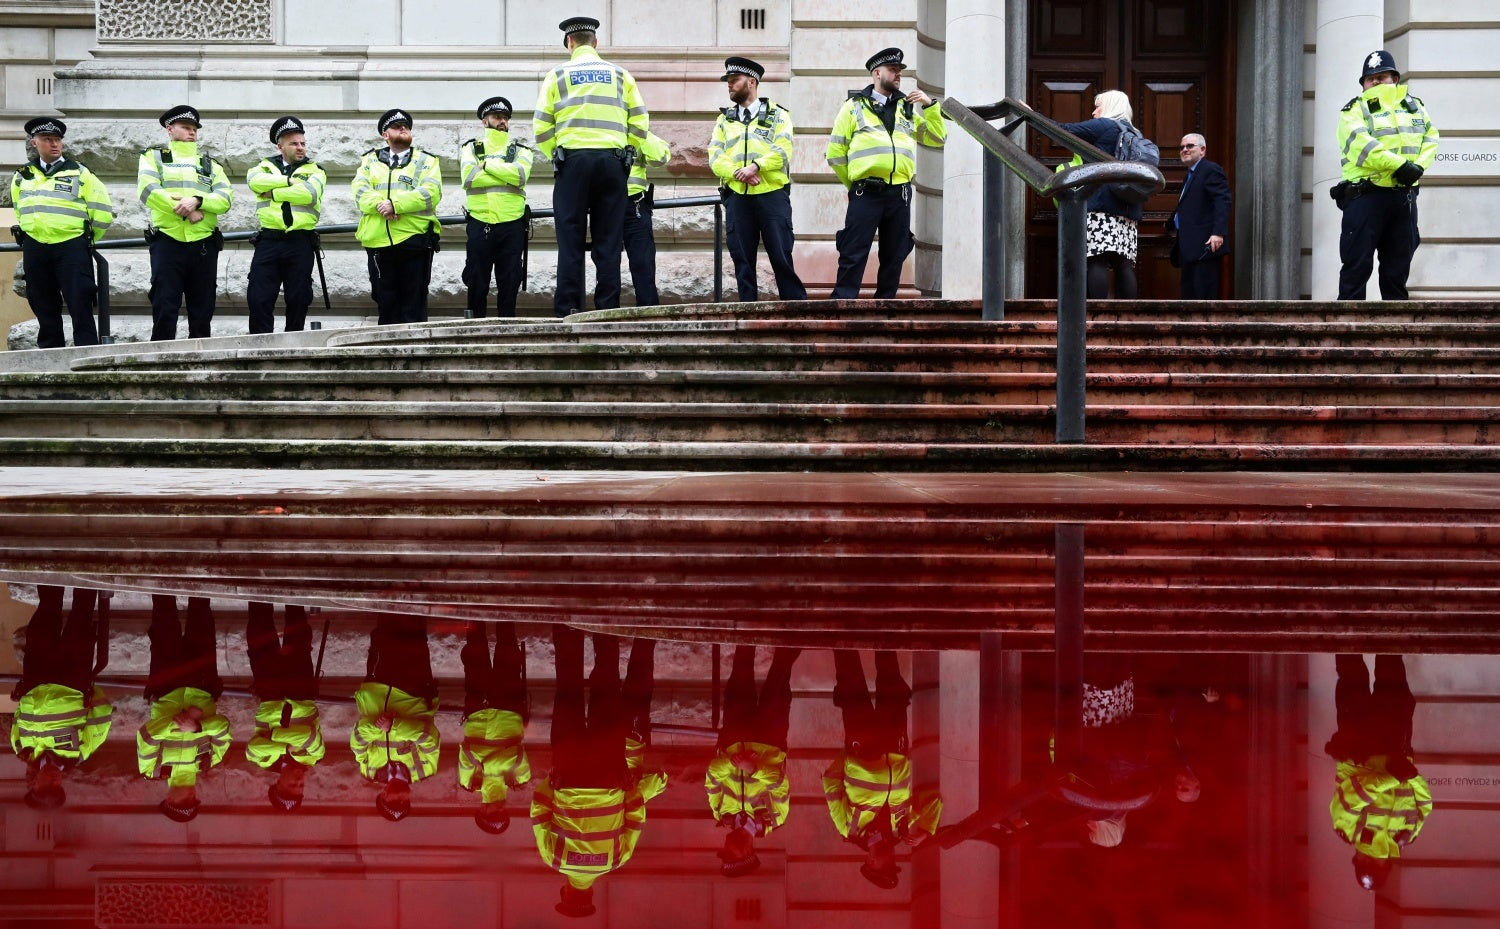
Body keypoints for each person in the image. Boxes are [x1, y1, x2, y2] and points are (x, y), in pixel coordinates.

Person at [533, 627, 665, 917]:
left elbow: (636, 814)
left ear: (591, 891)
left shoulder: (615, 860)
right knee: (567, 688)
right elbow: (539, 812)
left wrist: (626, 787)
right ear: (566, 891)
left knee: (606, 687)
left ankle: (605, 627)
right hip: (569, 771)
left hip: (608, 773)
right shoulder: (553, 859)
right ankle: (567, 625)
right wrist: (551, 781)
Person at [534, 16, 651, 317]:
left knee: (570, 241)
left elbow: (541, 128)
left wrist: (554, 154)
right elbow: (639, 121)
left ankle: (568, 310)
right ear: (595, 43)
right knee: (608, 242)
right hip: (612, 164)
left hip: (572, 164)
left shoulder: (557, 75)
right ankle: (607, 310)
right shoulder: (621, 75)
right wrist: (629, 152)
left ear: (570, 43)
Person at [826, 48, 946, 299]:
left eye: (900, 70)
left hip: (900, 193)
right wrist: (853, 185)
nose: (898, 74)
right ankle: (842, 306)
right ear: (877, 73)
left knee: (894, 254)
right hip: (865, 192)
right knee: (853, 251)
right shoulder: (853, 107)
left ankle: (886, 307)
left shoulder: (907, 108)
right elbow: (835, 153)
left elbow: (938, 138)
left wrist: (930, 105)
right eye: (893, 70)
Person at [824, 650, 942, 889]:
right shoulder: (903, 830)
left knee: (850, 681)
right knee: (891, 682)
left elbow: (831, 781)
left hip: (862, 744)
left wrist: (851, 756)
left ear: (871, 861)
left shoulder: (849, 830)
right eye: (893, 864)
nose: (892, 860)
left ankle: (841, 624)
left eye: (885, 865)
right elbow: (933, 799)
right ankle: (882, 626)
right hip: (894, 747)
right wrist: (927, 830)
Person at [1335, 50, 1440, 300]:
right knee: (1356, 267)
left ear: (1395, 79)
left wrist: (1418, 168)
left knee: (1397, 269)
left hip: (1403, 196)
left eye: (1382, 77)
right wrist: (1401, 166)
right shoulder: (1354, 110)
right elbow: (1362, 145)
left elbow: (1431, 138)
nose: (1376, 82)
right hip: (1365, 196)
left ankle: (1398, 333)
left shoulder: (1415, 107)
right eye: (1370, 79)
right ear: (1363, 84)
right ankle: (1346, 333)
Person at [1326, 654, 1432, 891]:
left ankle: (1351, 621)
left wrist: (1396, 777)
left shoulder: (1347, 829)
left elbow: (1354, 794)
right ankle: (1372, 624)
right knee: (1388, 673)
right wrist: (1411, 775)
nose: (1368, 858)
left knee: (1356, 674)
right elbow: (1425, 803)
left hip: (1359, 747)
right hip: (1391, 745)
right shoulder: (1407, 835)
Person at [9, 117, 113, 349]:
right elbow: (20, 209)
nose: (54, 144)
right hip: (35, 247)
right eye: (47, 139)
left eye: (57, 140)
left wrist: (83, 238)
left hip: (72, 247)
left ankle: (87, 352)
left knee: (80, 302)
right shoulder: (22, 176)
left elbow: (103, 213)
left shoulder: (80, 173)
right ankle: (50, 352)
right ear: (34, 143)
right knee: (42, 303)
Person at [710, 57, 806, 304]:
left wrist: (756, 167)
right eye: (728, 82)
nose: (729, 86)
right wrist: (737, 172)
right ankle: (747, 313)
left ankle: (797, 312)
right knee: (742, 261)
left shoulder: (778, 115)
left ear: (751, 82)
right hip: (737, 198)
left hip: (772, 196)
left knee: (781, 257)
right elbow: (715, 156)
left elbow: (784, 149)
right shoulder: (724, 120)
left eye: (734, 81)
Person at [9, 586, 112, 809]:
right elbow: (102, 719)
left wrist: (27, 696)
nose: (55, 782)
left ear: (34, 783)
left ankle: (52, 565)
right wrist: (90, 691)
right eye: (58, 787)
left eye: (48, 787)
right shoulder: (78, 754)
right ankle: (89, 563)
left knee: (46, 611)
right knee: (81, 613)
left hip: (36, 677)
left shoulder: (21, 748)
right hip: (72, 679)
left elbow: (19, 716)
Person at [137, 105, 233, 340]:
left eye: (194, 129)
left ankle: (200, 363)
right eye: (185, 127)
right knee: (164, 305)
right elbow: (149, 191)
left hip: (203, 244)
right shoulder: (154, 157)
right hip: (168, 241)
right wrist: (186, 211)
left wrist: (198, 201)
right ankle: (160, 361)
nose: (192, 132)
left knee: (203, 308)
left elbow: (225, 198)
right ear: (170, 129)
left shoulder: (210, 164)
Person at [706, 646, 800, 877]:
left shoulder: (719, 812)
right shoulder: (775, 818)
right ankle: (792, 625)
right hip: (770, 737)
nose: (725, 848)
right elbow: (779, 782)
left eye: (723, 852)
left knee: (741, 667)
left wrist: (735, 763)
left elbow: (711, 775)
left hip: (735, 736)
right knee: (781, 670)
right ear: (747, 852)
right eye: (731, 854)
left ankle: (747, 621)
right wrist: (753, 768)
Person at [137, 595, 231, 822]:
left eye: (183, 801)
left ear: (169, 799)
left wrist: (183, 720)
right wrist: (198, 727)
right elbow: (223, 728)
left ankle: (161, 566)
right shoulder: (210, 761)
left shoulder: (153, 769)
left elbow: (147, 735)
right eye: (193, 800)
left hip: (165, 684)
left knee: (163, 618)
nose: (191, 796)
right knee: (201, 617)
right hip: (202, 684)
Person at [352, 109, 443, 325]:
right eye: (396, 126)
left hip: (414, 241)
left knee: (414, 304)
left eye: (406, 126)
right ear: (385, 135)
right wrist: (381, 205)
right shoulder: (369, 160)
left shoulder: (427, 161)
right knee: (385, 302)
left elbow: (431, 192)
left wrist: (395, 205)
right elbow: (359, 192)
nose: (403, 128)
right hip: (378, 242)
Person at [1055, 90, 1145, 299]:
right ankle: (1127, 317)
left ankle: (1098, 316)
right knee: (1123, 263)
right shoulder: (1134, 132)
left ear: (1110, 107)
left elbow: (1063, 131)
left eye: (1098, 106)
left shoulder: (1105, 125)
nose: (1094, 112)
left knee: (1097, 260)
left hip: (1101, 206)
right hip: (1127, 206)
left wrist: (1031, 114)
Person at [351, 614, 440, 820]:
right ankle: (417, 590)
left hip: (377, 687)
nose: (402, 797)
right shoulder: (425, 770)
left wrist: (377, 727)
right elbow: (429, 738)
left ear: (383, 795)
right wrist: (394, 726)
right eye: (404, 801)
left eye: (395, 800)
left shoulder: (369, 771)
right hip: (415, 692)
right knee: (415, 636)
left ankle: (390, 593)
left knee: (385, 635)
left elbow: (357, 740)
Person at [246, 116, 326, 334]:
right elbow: (254, 182)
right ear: (280, 146)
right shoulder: (261, 167)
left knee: (299, 298)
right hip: (269, 241)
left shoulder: (315, 169)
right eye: (294, 143)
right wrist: (289, 181)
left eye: (303, 143)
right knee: (258, 297)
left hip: (300, 241)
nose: (300, 148)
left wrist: (274, 192)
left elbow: (309, 194)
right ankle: (260, 345)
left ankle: (294, 342)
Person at [244, 601, 325, 813]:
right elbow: (308, 735)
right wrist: (270, 737)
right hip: (301, 689)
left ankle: (258, 578)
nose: (299, 782)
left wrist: (284, 747)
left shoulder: (262, 761)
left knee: (259, 629)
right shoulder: (314, 757)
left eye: (292, 785)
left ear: (278, 783)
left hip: (269, 691)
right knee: (297, 623)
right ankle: (294, 581)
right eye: (301, 786)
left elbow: (252, 748)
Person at [460, 96, 534, 318]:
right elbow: (470, 178)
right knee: (476, 281)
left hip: (512, 223)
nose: (502, 121)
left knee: (510, 281)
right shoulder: (471, 148)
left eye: (505, 117)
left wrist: (487, 165)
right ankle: (473, 331)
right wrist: (504, 173)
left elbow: (520, 176)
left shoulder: (521, 150)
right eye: (496, 117)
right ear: (485, 121)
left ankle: (507, 328)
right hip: (480, 221)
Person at [458, 621, 533, 834]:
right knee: (507, 644)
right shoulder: (520, 781)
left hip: (478, 708)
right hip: (510, 708)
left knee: (475, 647)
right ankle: (505, 599)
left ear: (482, 810)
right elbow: (518, 754)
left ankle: (472, 601)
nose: (499, 810)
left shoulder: (470, 783)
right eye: (502, 814)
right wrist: (484, 764)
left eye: (493, 814)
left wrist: (494, 762)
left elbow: (466, 752)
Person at [1167, 133, 1231, 299]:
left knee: (1202, 296)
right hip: (1188, 247)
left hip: (1205, 245)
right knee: (1189, 295)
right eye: (1182, 147)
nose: (1185, 150)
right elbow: (1190, 204)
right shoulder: (1190, 175)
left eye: (1189, 146)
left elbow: (1222, 201)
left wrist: (1218, 232)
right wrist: (1171, 222)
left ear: (1202, 150)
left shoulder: (1210, 170)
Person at [624, 130, 671, 306]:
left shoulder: (638, 132)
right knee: (607, 263)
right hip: (607, 205)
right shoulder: (605, 131)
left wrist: (639, 131)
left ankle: (648, 312)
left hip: (635, 204)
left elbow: (660, 157)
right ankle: (605, 315)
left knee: (643, 262)